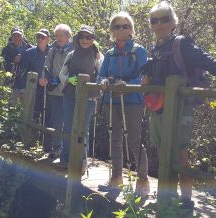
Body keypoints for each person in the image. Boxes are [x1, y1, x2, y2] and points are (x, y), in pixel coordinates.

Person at [142, 1, 216, 209]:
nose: (159, 24)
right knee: (161, 151)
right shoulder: (156, 47)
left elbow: (208, 61)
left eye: (164, 19)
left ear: (173, 22)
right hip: (158, 108)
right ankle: (167, 198)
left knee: (180, 153)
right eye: (154, 21)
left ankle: (186, 201)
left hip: (179, 108)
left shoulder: (181, 43)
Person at [98, 11, 150, 197]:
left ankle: (143, 180)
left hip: (133, 101)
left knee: (135, 140)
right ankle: (116, 178)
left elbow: (144, 77)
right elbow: (101, 74)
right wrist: (103, 82)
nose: (121, 29)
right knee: (115, 138)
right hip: (113, 100)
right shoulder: (110, 54)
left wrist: (127, 86)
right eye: (117, 26)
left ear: (131, 30)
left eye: (125, 26)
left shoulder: (139, 51)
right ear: (112, 30)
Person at [59, 25, 103, 171]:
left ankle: (82, 162)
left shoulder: (98, 56)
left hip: (89, 97)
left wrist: (96, 88)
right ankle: (65, 159)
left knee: (83, 129)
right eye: (82, 37)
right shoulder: (71, 54)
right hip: (70, 94)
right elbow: (61, 74)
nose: (85, 40)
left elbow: (101, 75)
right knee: (69, 126)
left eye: (89, 37)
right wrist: (69, 80)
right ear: (78, 38)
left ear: (93, 39)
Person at [39, 24, 73, 157]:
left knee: (69, 121)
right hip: (54, 89)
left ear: (68, 36)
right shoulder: (53, 50)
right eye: (57, 35)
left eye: (61, 35)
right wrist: (43, 77)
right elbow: (46, 66)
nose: (58, 38)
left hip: (69, 89)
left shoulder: (76, 49)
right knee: (57, 120)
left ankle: (68, 150)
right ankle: (57, 147)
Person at [21, 28, 51, 122]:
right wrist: (22, 90)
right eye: (38, 36)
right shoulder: (29, 53)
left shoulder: (54, 52)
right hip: (32, 90)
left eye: (43, 37)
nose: (40, 39)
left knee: (47, 119)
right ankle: (30, 136)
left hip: (50, 91)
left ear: (48, 39)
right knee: (31, 117)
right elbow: (22, 73)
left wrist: (49, 80)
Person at [1, 26, 31, 105]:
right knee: (11, 104)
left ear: (23, 36)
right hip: (12, 82)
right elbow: (1, 66)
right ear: (11, 36)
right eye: (14, 35)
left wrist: (22, 56)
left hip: (26, 81)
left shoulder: (29, 48)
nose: (17, 38)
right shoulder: (6, 49)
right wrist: (13, 61)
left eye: (19, 35)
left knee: (25, 106)